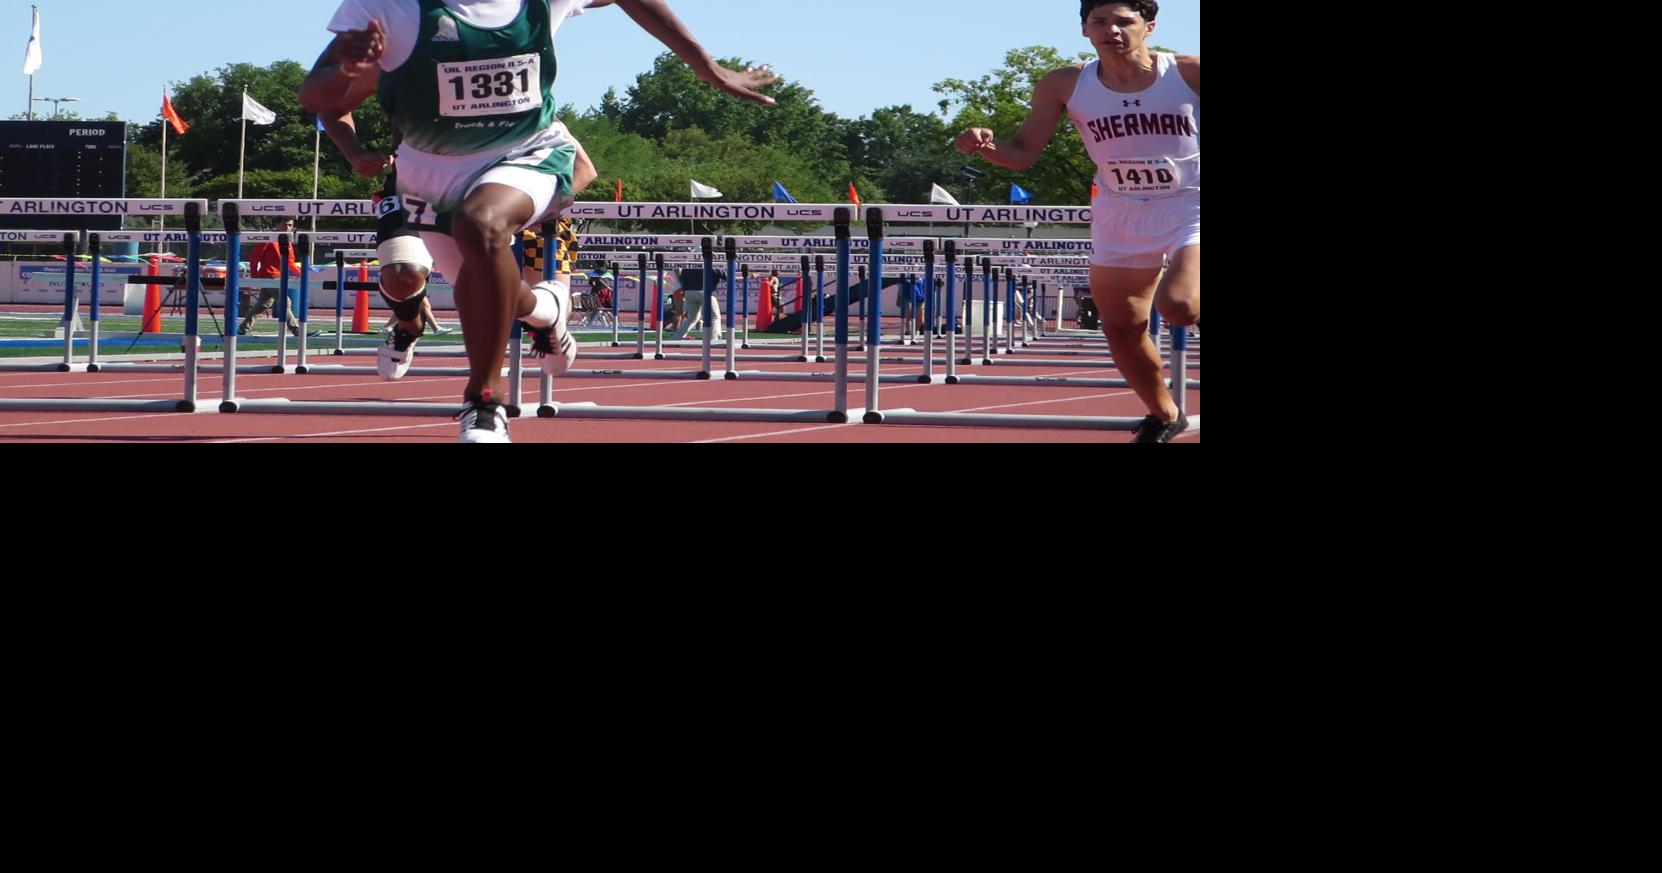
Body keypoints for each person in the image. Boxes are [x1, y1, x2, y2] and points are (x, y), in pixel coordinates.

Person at [302, 0, 778, 443]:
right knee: (492, 290)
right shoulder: (391, 7)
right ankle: (548, 312)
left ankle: (485, 402)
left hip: (527, 154)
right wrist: (347, 68)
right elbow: (314, 95)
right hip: (429, 177)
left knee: (480, 223)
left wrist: (704, 64)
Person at [955, 0, 1197, 443]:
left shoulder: (1187, 73)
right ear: (1085, 29)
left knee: (1179, 306)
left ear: (1150, 27)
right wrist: (982, 144)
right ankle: (1166, 415)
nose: (1113, 30)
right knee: (1120, 326)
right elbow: (1023, 153)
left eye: (1125, 21)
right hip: (1119, 208)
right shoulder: (1064, 84)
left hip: (1190, 203)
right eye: (1100, 22)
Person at [319, 106, 593, 381]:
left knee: (491, 295)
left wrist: (537, 207)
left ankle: (542, 319)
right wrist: (354, 153)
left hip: (500, 198)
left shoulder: (514, 93)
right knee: (402, 276)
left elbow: (584, 169)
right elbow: (333, 100)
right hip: (417, 188)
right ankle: (409, 327)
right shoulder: (396, 68)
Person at [239, 218, 306, 337]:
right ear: (278, 224)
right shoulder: (268, 238)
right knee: (285, 301)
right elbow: (254, 257)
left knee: (263, 304)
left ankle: (243, 328)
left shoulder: (288, 241)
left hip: (280, 277)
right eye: (285, 225)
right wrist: (255, 277)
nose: (288, 228)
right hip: (270, 276)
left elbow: (290, 262)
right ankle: (296, 329)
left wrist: (299, 273)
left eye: (290, 225)